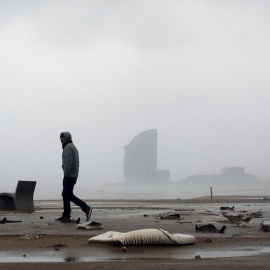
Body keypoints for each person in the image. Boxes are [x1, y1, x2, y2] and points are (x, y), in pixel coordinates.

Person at [56, 131, 93, 223]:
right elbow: (76, 162)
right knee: (66, 194)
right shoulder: (72, 147)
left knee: (67, 195)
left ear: (67, 138)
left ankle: (86, 208)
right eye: (60, 137)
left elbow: (69, 162)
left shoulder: (68, 147)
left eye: (63, 137)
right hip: (73, 175)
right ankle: (66, 215)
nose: (61, 139)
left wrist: (66, 173)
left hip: (69, 175)